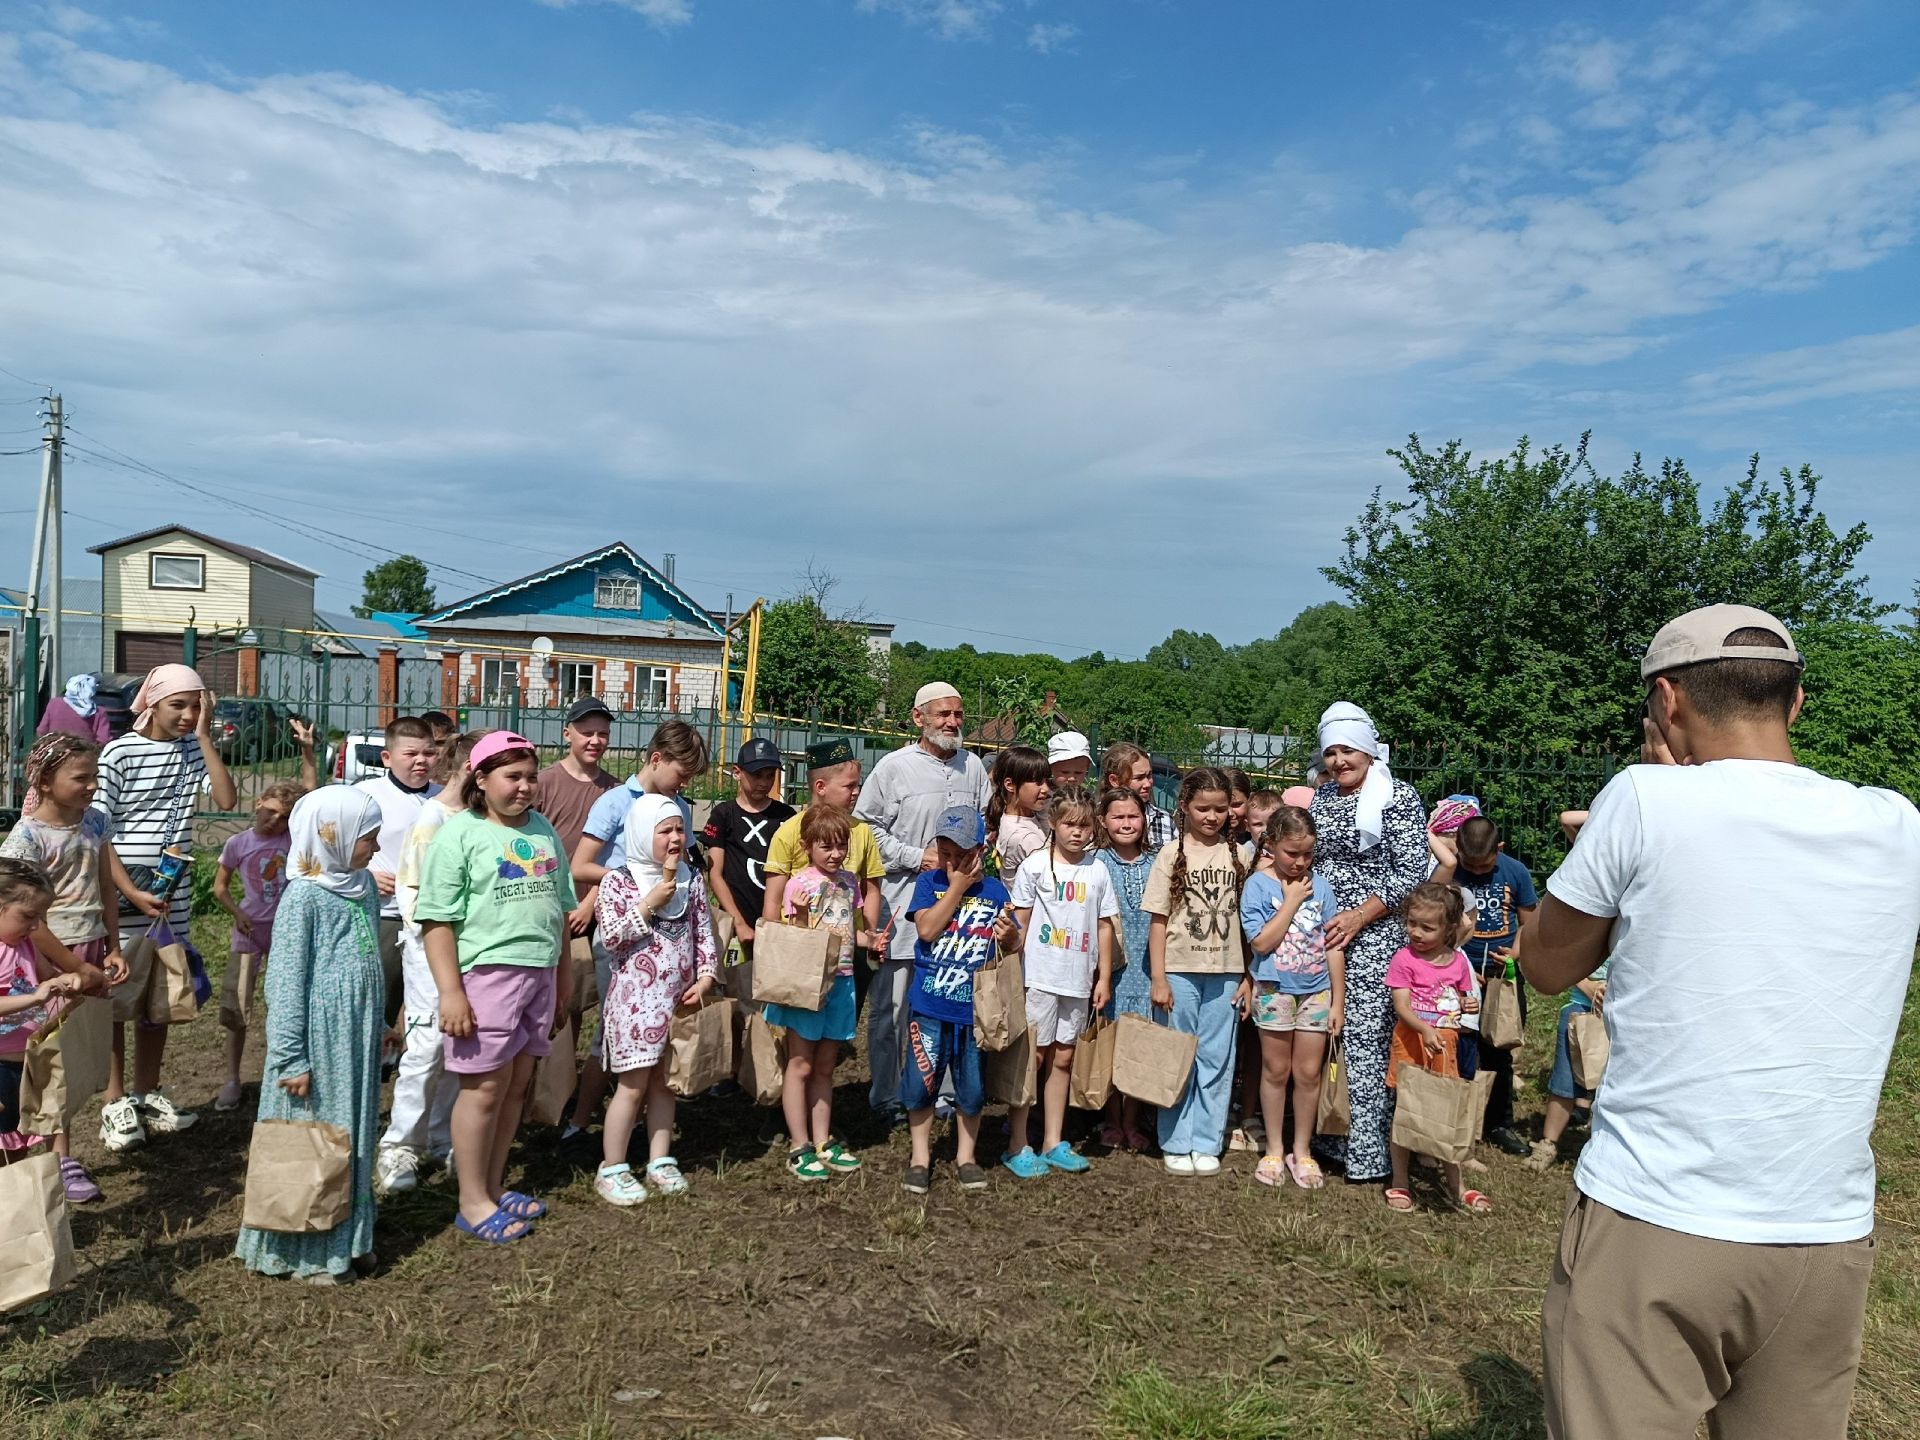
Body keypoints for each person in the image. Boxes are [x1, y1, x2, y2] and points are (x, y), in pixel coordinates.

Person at [1524, 604, 1920, 1440]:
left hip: (1656, 1217)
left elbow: (1545, 964)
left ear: (1666, 701)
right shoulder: (1896, 825)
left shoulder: (1643, 799)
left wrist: (1633, 812)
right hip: (1824, 1234)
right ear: (1797, 702)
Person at [415, 732, 575, 1245]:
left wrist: (562, 979)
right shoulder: (458, 836)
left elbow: (559, 911)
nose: (526, 787)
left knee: (515, 1087)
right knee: (483, 1089)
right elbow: (436, 921)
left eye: (531, 776)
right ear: (480, 781)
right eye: (513, 777)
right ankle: (470, 1201)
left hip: (540, 975)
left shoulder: (544, 830)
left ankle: (492, 1183)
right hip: (486, 978)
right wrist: (451, 993)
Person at [233, 788, 385, 1284]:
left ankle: (350, 1233)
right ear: (331, 835)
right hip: (318, 1042)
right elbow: (284, 981)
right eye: (369, 838)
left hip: (354, 1034)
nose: (375, 848)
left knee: (350, 1130)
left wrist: (377, 1020)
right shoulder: (305, 895)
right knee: (314, 1137)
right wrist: (290, 1057)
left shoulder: (358, 884)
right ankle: (307, 1249)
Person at [93, 663, 237, 1153]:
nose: (187, 714)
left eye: (196, 706)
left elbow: (224, 796)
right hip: (122, 893)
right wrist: (128, 892)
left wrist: (204, 738)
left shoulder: (193, 752)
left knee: (159, 992)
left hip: (169, 895)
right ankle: (114, 1102)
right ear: (151, 703)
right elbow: (98, 829)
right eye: (178, 704)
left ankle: (147, 1092)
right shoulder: (119, 752)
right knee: (116, 993)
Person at [855, 683, 992, 1124]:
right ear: (919, 718)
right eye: (942, 715)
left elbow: (984, 825)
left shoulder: (973, 767)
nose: (952, 722)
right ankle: (888, 1096)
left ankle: (946, 1094)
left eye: (958, 714)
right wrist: (918, 857)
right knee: (893, 1009)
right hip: (903, 905)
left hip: (960, 918)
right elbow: (865, 830)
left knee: (951, 1003)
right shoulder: (893, 768)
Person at [566, 719, 707, 1141]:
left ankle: (647, 1122)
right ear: (657, 758)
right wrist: (634, 882)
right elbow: (580, 865)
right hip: (625, 932)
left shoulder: (675, 806)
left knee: (660, 1042)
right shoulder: (615, 802)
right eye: (680, 776)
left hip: (671, 939)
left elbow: (685, 860)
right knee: (612, 1036)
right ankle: (580, 1120)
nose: (682, 787)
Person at [1308, 701, 1428, 1186]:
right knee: (1328, 1033)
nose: (1339, 761)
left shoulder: (1397, 795)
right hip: (1324, 927)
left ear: (1367, 750)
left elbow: (1413, 869)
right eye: (1331, 752)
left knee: (1367, 1040)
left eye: (1347, 751)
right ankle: (1330, 1136)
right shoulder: (1323, 798)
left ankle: (1370, 1152)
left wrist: (1360, 915)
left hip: (1377, 932)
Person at [591, 793, 719, 1206]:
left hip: (677, 1002)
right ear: (643, 835)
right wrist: (649, 904)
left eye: (680, 828)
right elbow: (611, 936)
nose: (676, 838)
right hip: (634, 1004)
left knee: (665, 1083)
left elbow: (705, 933)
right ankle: (612, 1166)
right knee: (632, 1084)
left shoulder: (690, 879)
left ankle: (660, 1159)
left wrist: (705, 976)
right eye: (665, 831)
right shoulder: (618, 881)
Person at [376, 730, 480, 1196]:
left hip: (478, 954)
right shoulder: (433, 818)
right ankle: (399, 1145)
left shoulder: (480, 818)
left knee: (463, 1048)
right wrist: (446, 944)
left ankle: (442, 1137)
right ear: (473, 770)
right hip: (431, 954)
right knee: (425, 1048)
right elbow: (411, 893)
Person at [900, 806, 1017, 1196]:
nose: (951, 862)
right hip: (930, 1006)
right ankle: (920, 1158)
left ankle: (966, 1157)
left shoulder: (997, 891)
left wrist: (1008, 937)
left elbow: (1013, 943)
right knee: (921, 1084)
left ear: (980, 851)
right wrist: (956, 887)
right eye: (945, 852)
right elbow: (928, 929)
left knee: (971, 1090)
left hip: (974, 1011)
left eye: (960, 856)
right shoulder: (929, 885)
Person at [1006, 786, 1116, 1177]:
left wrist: (1102, 976)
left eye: (1085, 826)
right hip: (1039, 976)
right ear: (1053, 823)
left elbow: (1104, 926)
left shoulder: (1098, 869)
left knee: (1064, 1057)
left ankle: (1053, 1139)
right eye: (1069, 824)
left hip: (1078, 980)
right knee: (1033, 1056)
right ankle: (1017, 1140)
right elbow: (1019, 923)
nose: (1077, 833)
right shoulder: (1034, 866)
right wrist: (1011, 961)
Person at [1144, 767, 1247, 1175]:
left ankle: (1207, 1140)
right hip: (1179, 971)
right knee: (1178, 1055)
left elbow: (1250, 924)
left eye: (1220, 809)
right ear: (1184, 806)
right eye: (1202, 808)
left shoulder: (1242, 856)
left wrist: (1249, 977)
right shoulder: (1171, 854)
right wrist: (1158, 977)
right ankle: (1175, 1139)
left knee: (1217, 1059)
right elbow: (1158, 920)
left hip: (1226, 972)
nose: (1211, 816)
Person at [1237, 805, 1345, 1189]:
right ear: (1271, 845)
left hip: (1316, 991)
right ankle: (1273, 1148)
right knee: (1276, 1070)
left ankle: (1302, 1150)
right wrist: (1292, 902)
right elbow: (1262, 942)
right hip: (1274, 991)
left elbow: (1333, 946)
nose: (1300, 862)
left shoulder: (1324, 887)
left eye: (1308, 854)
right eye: (1292, 853)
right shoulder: (1258, 886)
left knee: (1309, 1073)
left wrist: (1337, 1001)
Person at [1427, 816, 1538, 1156]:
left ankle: (1498, 1123)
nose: (1475, 873)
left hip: (1501, 977)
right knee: (1458, 1047)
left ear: (1499, 850)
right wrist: (1456, 963)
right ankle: (1453, 1119)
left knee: (1499, 1051)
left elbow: (1528, 923)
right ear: (1456, 849)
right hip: (1454, 974)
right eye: (1469, 865)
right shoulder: (1451, 871)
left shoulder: (1515, 871)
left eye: (1484, 866)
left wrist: (1516, 953)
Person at [766, 805, 864, 1182]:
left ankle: (824, 1142)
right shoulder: (799, 885)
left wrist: (872, 941)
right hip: (809, 984)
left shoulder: (851, 883)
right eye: (826, 846)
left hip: (841, 981)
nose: (835, 854)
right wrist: (803, 915)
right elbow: (795, 936)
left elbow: (850, 929)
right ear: (808, 846)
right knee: (800, 1064)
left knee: (825, 1066)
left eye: (841, 846)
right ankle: (798, 1144)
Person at [1383, 883, 1489, 1214]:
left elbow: (1458, 1000)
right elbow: (1401, 1006)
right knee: (1406, 1110)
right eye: (1412, 923)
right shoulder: (1404, 959)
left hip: (1446, 1045)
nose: (1416, 932)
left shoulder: (1458, 962)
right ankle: (1400, 1181)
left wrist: (1468, 1005)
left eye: (1427, 927)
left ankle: (1457, 1186)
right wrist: (1424, 1030)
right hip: (1413, 1042)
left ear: (1448, 929)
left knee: (1447, 1111)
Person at [212, 781, 302, 1112]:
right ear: (259, 803)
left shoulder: (291, 842)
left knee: (286, 1002)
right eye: (271, 812)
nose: (274, 821)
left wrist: (308, 752)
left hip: (286, 933)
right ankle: (232, 1079)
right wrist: (237, 913)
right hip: (249, 932)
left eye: (283, 817)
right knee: (237, 1005)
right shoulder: (239, 844)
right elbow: (219, 887)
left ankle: (286, 1069)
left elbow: (309, 789)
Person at [355, 716, 441, 1030]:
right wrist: (364, 876)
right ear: (387, 757)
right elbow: (332, 851)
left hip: (434, 916)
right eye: (411, 753)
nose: (421, 760)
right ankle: (376, 1065)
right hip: (385, 916)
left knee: (427, 1003)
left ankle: (412, 1065)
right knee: (380, 1000)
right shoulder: (365, 795)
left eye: (429, 753)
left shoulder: (444, 797)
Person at [0, 860, 89, 1156]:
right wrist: (36, 998)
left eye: (40, 917)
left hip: (25, 1065)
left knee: (17, 1148)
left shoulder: (26, 947)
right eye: (28, 916)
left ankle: (15, 1203)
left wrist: (67, 981)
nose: (36, 925)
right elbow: (37, 994)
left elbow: (49, 978)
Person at [762, 740, 885, 942]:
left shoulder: (862, 831)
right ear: (821, 787)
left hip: (847, 947)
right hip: (801, 947)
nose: (856, 792)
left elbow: (871, 890)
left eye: (858, 785)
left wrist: (869, 934)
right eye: (849, 786)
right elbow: (773, 902)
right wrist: (772, 944)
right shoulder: (789, 832)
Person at [1094, 784, 1156, 1150]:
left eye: (1133, 815)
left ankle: (1134, 1122)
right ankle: (1111, 1120)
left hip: (1146, 968)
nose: (1127, 823)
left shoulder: (1158, 861)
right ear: (1103, 820)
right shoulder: (1095, 862)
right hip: (1111, 969)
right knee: (1111, 1046)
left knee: (1139, 1047)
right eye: (1118, 816)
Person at [701, 737, 796, 963]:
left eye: (769, 775)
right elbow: (715, 874)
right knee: (740, 992)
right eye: (756, 775)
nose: (763, 783)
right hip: (738, 925)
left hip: (778, 924)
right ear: (737, 772)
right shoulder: (724, 814)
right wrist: (739, 923)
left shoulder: (787, 816)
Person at [1527, 960, 1608, 1172]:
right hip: (1581, 1007)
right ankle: (1548, 1144)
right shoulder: (1591, 926)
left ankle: (1605, 1149)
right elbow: (1565, 959)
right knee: (1564, 1081)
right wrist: (1587, 987)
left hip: (1627, 1013)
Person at [987, 745, 1050, 877]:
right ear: (1010, 785)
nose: (1045, 788)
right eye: (1037, 782)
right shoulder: (1024, 838)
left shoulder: (1025, 815)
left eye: (1045, 781)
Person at [1101, 741, 1175, 849]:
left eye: (1149, 775)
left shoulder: (1164, 819)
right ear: (1114, 780)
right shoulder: (1093, 819)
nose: (1148, 784)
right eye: (1139, 778)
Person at [36, 674, 111, 745]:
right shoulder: (98, 712)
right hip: (84, 755)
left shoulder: (54, 704)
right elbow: (104, 740)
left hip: (54, 753)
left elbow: (42, 731)